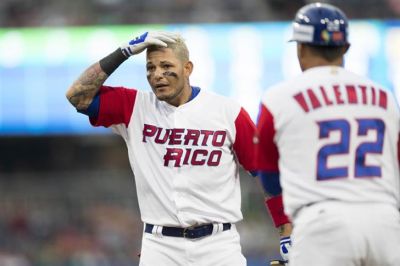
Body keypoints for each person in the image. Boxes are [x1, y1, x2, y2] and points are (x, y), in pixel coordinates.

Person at [65, 31, 258, 266]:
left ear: (187, 68)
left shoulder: (228, 112)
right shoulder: (134, 105)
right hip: (160, 246)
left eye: (166, 66)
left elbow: (266, 170)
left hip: (219, 245)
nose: (157, 75)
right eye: (150, 68)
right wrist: (122, 53)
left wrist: (285, 231)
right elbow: (77, 96)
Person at [257, 2, 400, 266]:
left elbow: (269, 178)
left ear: (300, 48)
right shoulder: (385, 97)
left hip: (323, 222)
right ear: (345, 48)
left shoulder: (278, 97)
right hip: (384, 222)